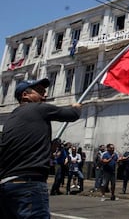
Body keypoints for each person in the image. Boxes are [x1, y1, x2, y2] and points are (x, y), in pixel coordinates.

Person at [0, 78, 82, 218]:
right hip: (29, 185)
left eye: (45, 92)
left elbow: (21, 150)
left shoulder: (12, 118)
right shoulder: (39, 108)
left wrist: (49, 149)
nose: (45, 95)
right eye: (39, 92)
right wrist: (76, 107)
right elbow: (72, 115)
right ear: (25, 95)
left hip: (7, 186)